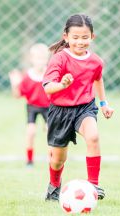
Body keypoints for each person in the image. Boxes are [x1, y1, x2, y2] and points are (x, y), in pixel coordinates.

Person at [43, 14, 114, 201]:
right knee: (58, 160)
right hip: (60, 111)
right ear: (66, 36)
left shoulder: (96, 61)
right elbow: (48, 87)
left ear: (92, 37)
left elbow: (97, 78)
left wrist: (104, 103)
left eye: (85, 37)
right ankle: (54, 186)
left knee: (93, 136)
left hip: (85, 107)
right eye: (75, 37)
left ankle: (93, 185)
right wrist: (62, 85)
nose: (80, 41)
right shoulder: (59, 59)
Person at [8, 43, 51, 166]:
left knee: (50, 131)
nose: (40, 61)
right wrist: (15, 84)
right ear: (32, 59)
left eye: (43, 58)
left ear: (47, 59)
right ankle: (29, 160)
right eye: (38, 58)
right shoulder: (27, 76)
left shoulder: (50, 74)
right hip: (32, 107)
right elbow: (17, 95)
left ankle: (51, 159)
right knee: (31, 132)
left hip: (48, 107)